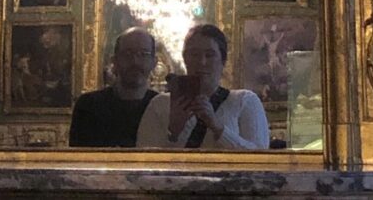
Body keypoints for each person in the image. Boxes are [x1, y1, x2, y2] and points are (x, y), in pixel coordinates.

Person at [136, 24, 269, 149]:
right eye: (194, 54)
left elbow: (262, 158)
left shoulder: (245, 101)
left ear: (223, 61)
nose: (201, 62)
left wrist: (218, 128)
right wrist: (173, 133)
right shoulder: (159, 105)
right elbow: (142, 159)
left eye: (210, 55)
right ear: (185, 59)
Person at [69, 27, 158, 147]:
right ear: (114, 61)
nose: (135, 61)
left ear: (154, 62)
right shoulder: (88, 106)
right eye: (128, 54)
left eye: (143, 54)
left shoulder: (161, 107)